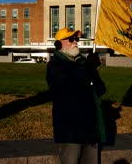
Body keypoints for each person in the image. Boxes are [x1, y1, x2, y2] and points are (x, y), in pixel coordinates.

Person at [46, 28, 106, 164]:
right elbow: (67, 86)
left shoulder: (82, 63)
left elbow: (101, 89)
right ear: (58, 44)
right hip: (70, 131)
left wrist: (92, 70)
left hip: (90, 130)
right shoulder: (54, 65)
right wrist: (87, 68)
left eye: (77, 39)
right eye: (71, 39)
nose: (75, 42)